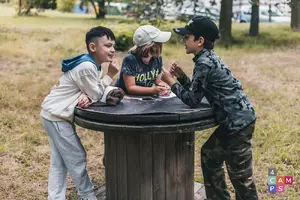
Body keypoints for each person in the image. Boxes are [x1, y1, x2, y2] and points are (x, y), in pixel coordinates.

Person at [161, 16, 258, 200]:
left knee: (241, 178)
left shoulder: (204, 63)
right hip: (233, 121)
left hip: (238, 124)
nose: (184, 40)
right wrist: (182, 77)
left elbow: (192, 100)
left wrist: (171, 82)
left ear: (200, 41)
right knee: (210, 157)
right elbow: (198, 91)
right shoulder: (205, 59)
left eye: (187, 37)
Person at [40, 26, 123, 200]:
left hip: (51, 114)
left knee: (60, 163)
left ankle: (55, 197)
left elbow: (91, 90)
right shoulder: (87, 66)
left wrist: (86, 94)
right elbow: (97, 94)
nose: (112, 49)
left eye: (113, 46)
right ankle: (87, 195)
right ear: (93, 47)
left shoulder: (92, 65)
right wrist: (110, 76)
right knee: (77, 156)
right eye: (107, 45)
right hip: (57, 117)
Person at [115, 25, 171, 96]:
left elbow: (157, 80)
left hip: (143, 99)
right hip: (125, 97)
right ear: (151, 45)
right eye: (159, 42)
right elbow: (131, 88)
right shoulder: (130, 60)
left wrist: (163, 85)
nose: (161, 44)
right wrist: (153, 90)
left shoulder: (157, 59)